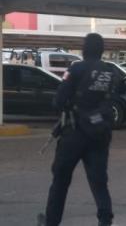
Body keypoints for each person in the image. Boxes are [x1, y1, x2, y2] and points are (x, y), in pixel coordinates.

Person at [42, 33, 119, 226]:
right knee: (99, 182)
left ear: (84, 49)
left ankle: (51, 222)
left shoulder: (76, 68)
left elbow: (58, 101)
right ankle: (105, 221)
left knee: (60, 180)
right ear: (102, 50)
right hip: (100, 132)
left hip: (74, 134)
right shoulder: (110, 71)